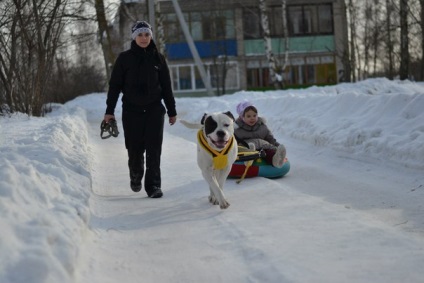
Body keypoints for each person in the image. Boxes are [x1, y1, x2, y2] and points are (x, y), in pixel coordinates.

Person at [103, 21, 177, 198]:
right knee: (135, 150)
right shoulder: (124, 59)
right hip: (131, 111)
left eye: (147, 34)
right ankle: (136, 175)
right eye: (140, 35)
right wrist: (109, 110)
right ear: (134, 37)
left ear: (151, 36)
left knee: (154, 150)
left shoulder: (158, 58)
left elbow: (166, 86)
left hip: (154, 111)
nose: (144, 38)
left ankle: (153, 186)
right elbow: (114, 86)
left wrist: (171, 110)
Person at [234, 101, 286, 168]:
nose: (252, 118)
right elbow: (233, 142)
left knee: (269, 152)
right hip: (247, 148)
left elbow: (270, 138)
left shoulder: (262, 126)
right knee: (246, 150)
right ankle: (249, 159)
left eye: (254, 115)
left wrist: (277, 147)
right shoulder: (237, 129)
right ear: (242, 117)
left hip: (262, 147)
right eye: (248, 116)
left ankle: (275, 160)